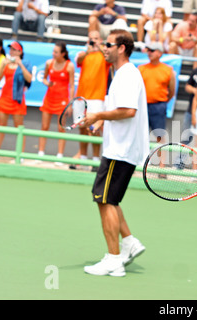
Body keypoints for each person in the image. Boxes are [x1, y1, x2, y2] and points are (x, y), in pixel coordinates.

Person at [82, 29, 149, 277]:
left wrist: (97, 115)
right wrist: (100, 123)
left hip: (121, 150)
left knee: (104, 200)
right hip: (119, 147)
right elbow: (118, 111)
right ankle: (129, 242)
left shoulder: (128, 74)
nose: (103, 48)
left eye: (108, 44)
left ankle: (113, 259)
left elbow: (128, 111)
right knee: (110, 199)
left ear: (121, 47)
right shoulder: (121, 74)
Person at [73, 30, 111, 168]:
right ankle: (83, 158)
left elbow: (108, 59)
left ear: (100, 40)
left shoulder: (104, 55)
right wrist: (89, 50)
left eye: (95, 38)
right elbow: (78, 60)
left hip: (97, 97)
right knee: (82, 128)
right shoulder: (84, 54)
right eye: (91, 38)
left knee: (94, 129)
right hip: (81, 97)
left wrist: (99, 47)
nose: (93, 41)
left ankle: (95, 160)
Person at [0, 41, 32, 160]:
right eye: (10, 49)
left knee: (19, 127)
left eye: (14, 49)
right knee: (1, 125)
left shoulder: (25, 63)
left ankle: (20, 154)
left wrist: (20, 65)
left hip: (17, 99)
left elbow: (29, 79)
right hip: (4, 98)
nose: (11, 51)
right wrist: (2, 65)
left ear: (19, 52)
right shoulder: (5, 62)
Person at [37, 41, 75, 164]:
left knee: (61, 128)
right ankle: (41, 153)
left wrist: (70, 103)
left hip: (62, 100)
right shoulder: (49, 63)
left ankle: (59, 155)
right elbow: (44, 78)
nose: (54, 54)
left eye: (56, 52)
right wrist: (47, 83)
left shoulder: (69, 66)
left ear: (63, 54)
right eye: (53, 51)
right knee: (44, 126)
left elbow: (72, 86)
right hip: (49, 98)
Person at [138, 42, 175, 147]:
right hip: (143, 105)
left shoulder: (167, 70)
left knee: (160, 135)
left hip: (158, 105)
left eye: (152, 50)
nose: (149, 53)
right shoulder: (141, 68)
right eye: (148, 50)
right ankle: (140, 160)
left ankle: (161, 163)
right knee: (140, 134)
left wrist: (162, 101)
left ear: (159, 53)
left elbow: (172, 90)